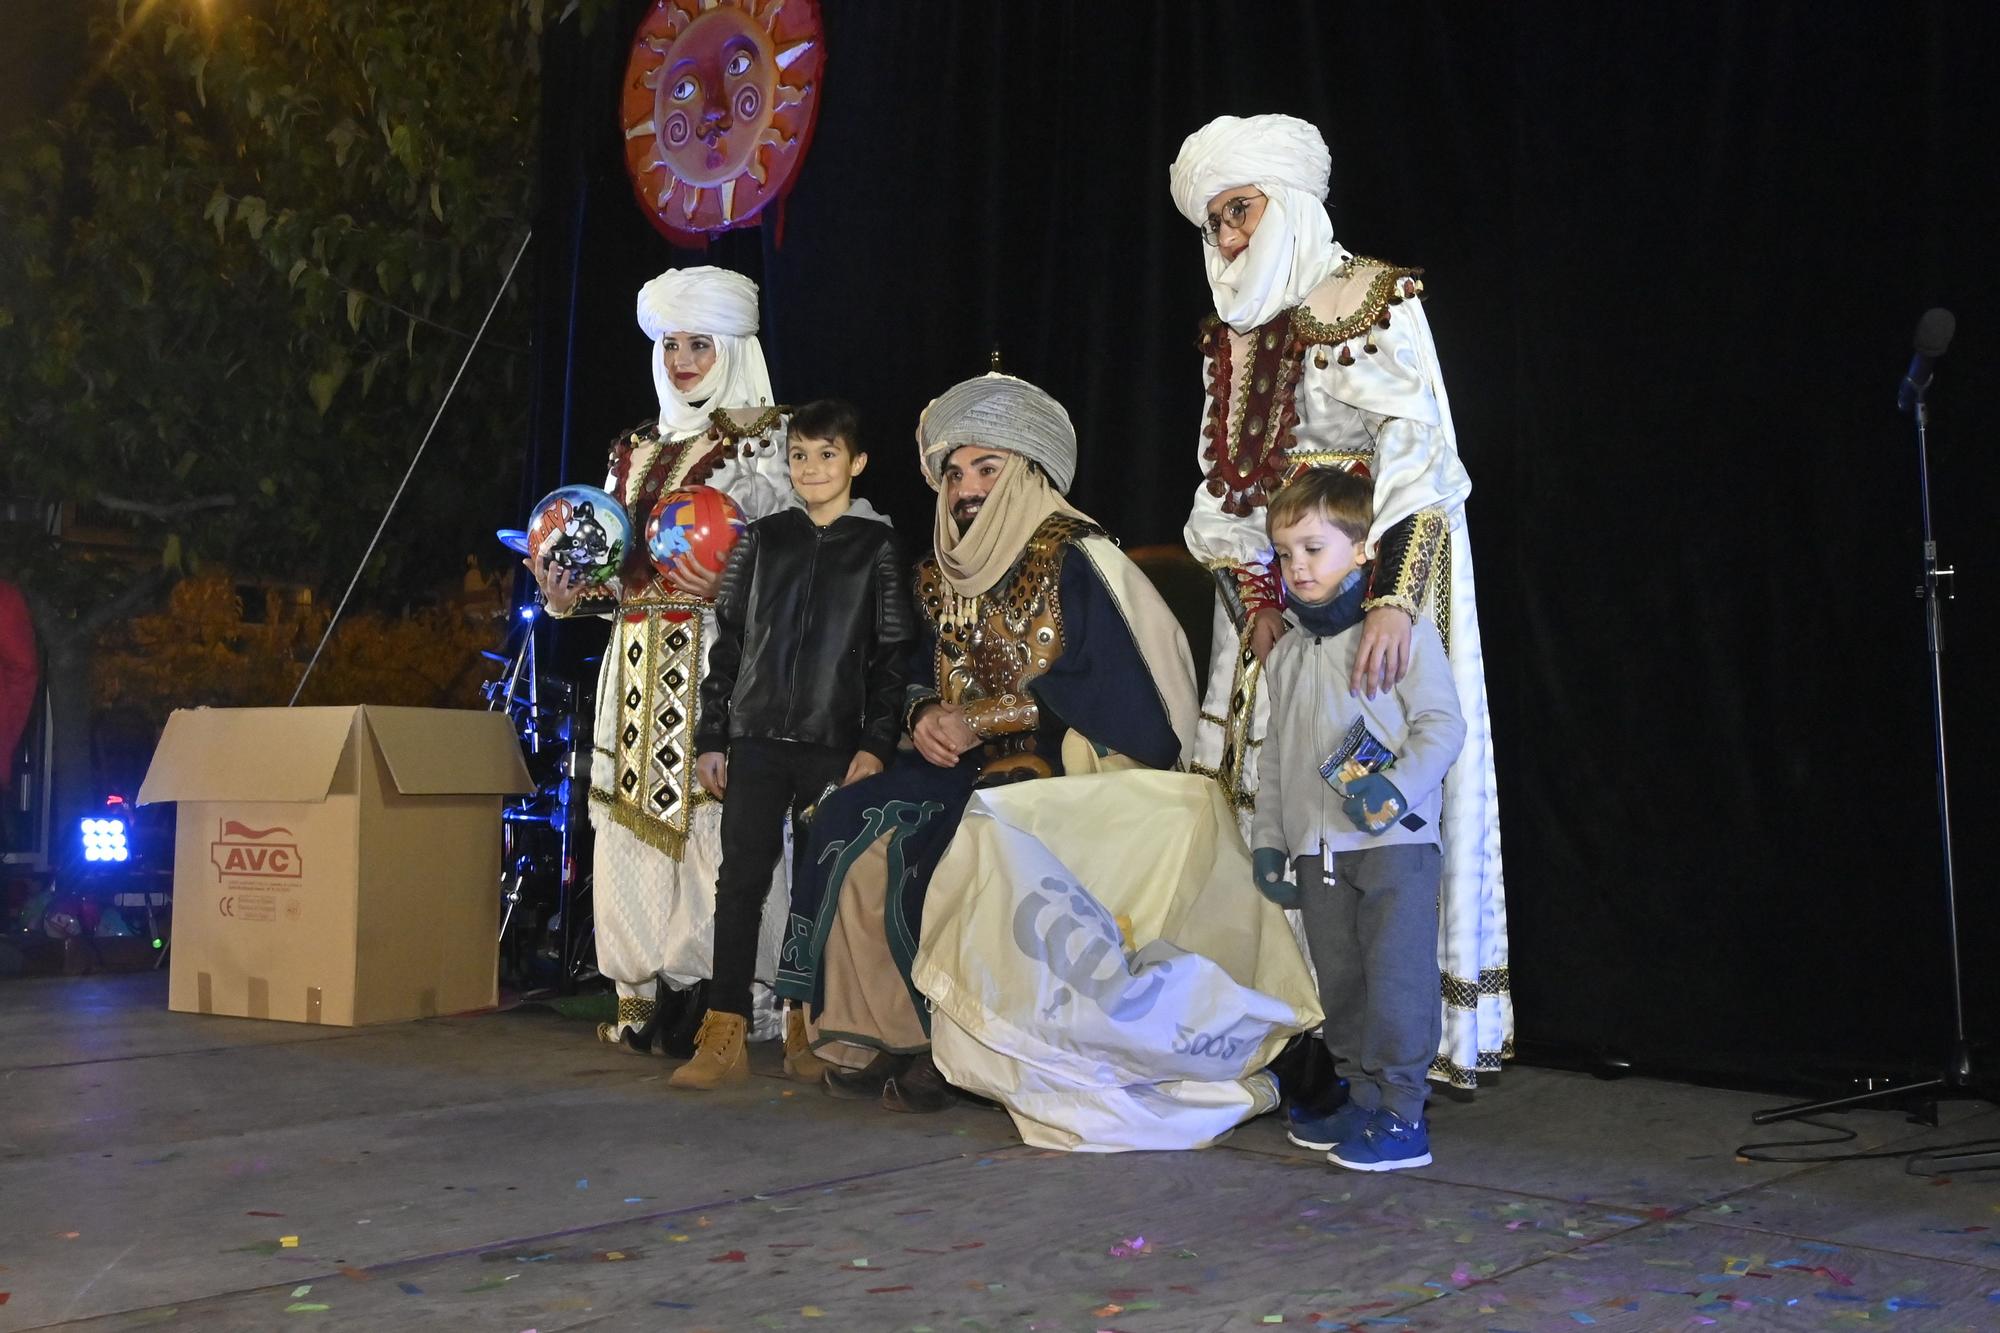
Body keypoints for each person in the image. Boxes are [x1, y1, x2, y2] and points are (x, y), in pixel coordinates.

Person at [1169, 113, 1508, 1091]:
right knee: (1270, 804)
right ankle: (1290, 1028)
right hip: (1274, 610)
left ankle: (1379, 1052)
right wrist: (1256, 600)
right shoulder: (1225, 339)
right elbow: (1225, 496)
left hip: (1371, 596)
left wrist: (1393, 606)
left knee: (1363, 801)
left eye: (1240, 211)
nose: (1229, 237)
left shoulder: (1369, 298)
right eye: (1215, 221)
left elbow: (1418, 459)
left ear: (1290, 204)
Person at [778, 372, 1198, 1113]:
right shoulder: (939, 576)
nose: (965, 487)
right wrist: (920, 719)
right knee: (854, 816)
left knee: (943, 838)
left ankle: (956, 1043)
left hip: (1061, 772)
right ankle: (881, 1030)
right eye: (953, 472)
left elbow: (1124, 700)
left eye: (986, 468)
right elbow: (905, 672)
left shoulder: (1078, 558)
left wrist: (987, 720)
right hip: (957, 767)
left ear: (1029, 472)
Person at [526, 265, 795, 1054]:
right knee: (631, 828)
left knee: (720, 826)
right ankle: (641, 994)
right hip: (635, 660)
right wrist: (566, 592)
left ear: (733, 347)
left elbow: (788, 561)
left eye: (699, 344)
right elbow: (619, 570)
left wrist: (733, 581)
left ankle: (722, 993)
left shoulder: (768, 441)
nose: (681, 360)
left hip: (722, 659)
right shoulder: (635, 448)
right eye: (671, 344)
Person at [680, 400, 914, 1089]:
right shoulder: (762, 538)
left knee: (816, 888)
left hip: (831, 746)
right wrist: (712, 732)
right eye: (801, 455)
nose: (811, 468)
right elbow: (728, 641)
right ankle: (721, 1031)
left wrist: (874, 744)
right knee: (740, 882)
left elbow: (892, 657)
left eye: (827, 454)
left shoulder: (878, 548)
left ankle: (801, 1026)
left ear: (858, 463)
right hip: (754, 739)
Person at [1251, 468, 1466, 1170]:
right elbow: (1278, 756)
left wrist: (1396, 790)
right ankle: (1365, 1097)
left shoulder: (1398, 635)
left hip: (1391, 850)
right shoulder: (1285, 655)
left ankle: (1404, 1113)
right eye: (1285, 553)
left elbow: (1441, 726)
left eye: (1314, 548)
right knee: (1339, 984)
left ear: (1365, 550)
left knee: (1396, 980)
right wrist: (1272, 842)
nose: (1298, 567)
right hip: (1318, 856)